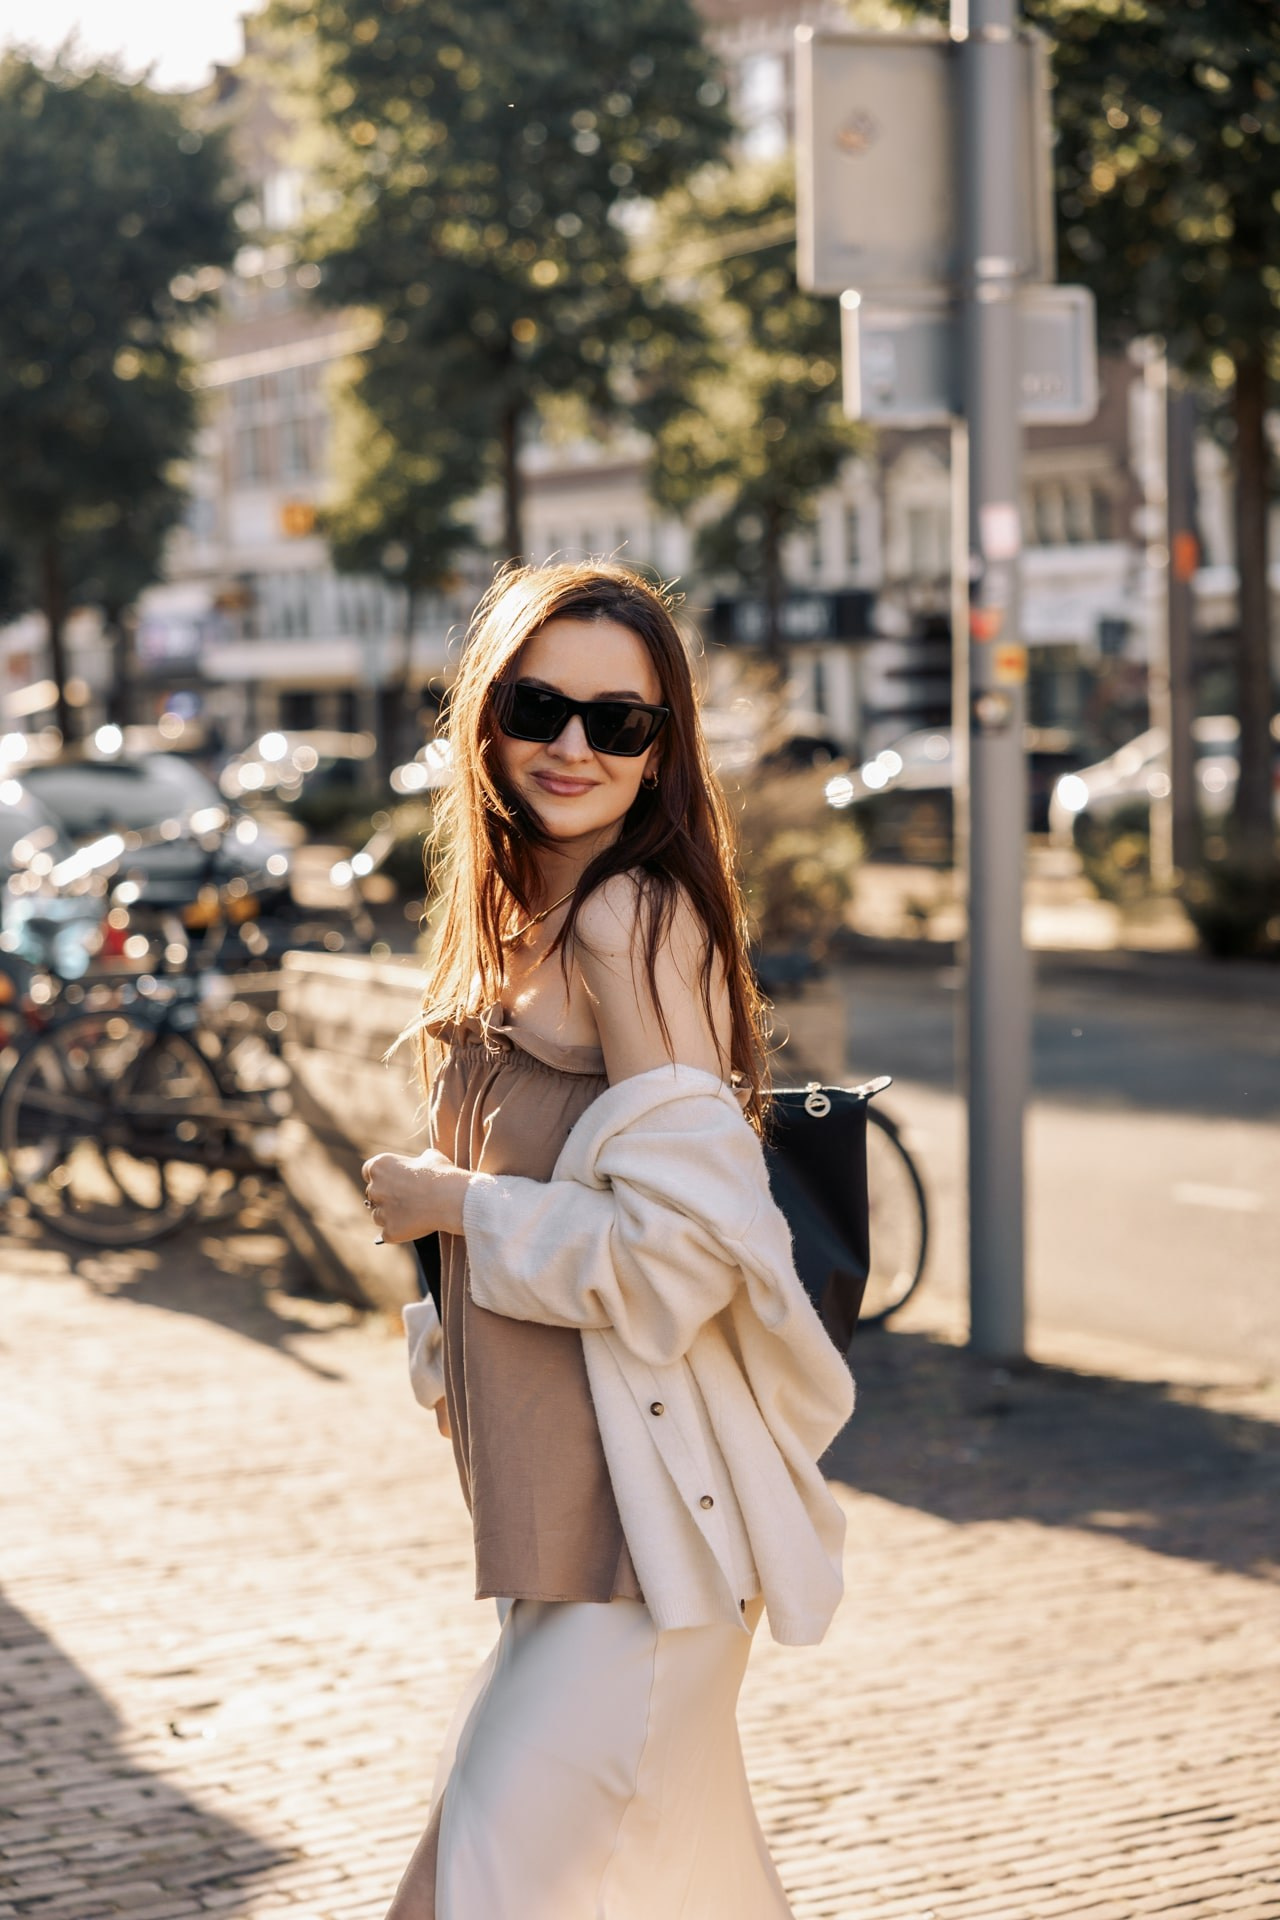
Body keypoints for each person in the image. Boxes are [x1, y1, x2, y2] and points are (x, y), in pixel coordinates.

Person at [361, 562, 855, 1920]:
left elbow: (684, 1256)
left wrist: (450, 1205)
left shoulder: (635, 921)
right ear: (489, 719)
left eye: (619, 723)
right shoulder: (521, 919)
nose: (574, 746)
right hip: (569, 1538)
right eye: (541, 705)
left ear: (662, 748)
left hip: (649, 1559)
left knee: (463, 1898)